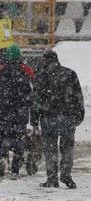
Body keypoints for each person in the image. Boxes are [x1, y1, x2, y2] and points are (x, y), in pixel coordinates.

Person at [31, 50, 85, 189]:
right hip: (67, 116)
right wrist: (79, 113)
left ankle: (52, 178)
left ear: (45, 60)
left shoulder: (41, 76)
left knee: (50, 149)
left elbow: (36, 99)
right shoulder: (70, 73)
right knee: (67, 148)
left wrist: (35, 120)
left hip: (48, 117)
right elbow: (78, 95)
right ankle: (66, 174)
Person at [0, 44, 35, 179]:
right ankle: (15, 169)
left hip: (3, 111)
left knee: (3, 138)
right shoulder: (26, 71)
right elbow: (32, 93)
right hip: (20, 112)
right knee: (19, 139)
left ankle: (3, 159)